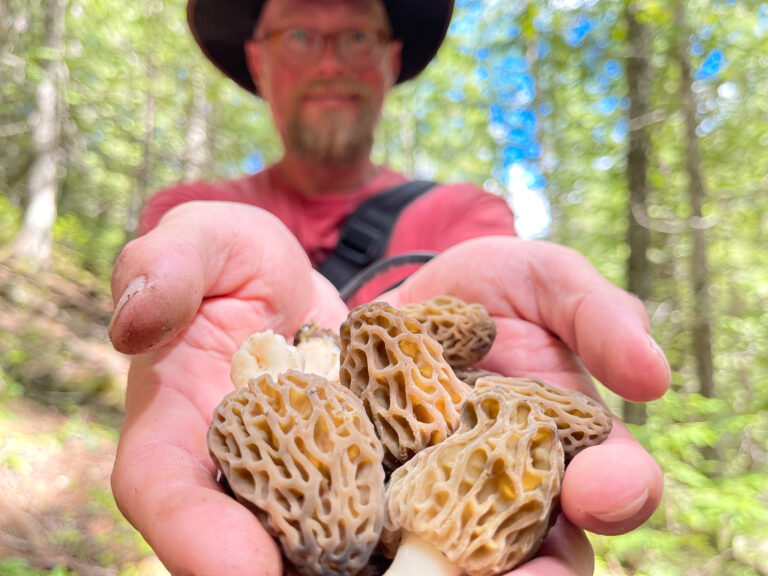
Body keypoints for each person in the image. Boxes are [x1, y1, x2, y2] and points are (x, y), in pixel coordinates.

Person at [108, 0, 671, 574]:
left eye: (355, 36)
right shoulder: (194, 211)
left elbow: (465, 331)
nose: (330, 63)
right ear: (258, 58)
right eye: (300, 35)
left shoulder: (460, 211)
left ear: (390, 56)